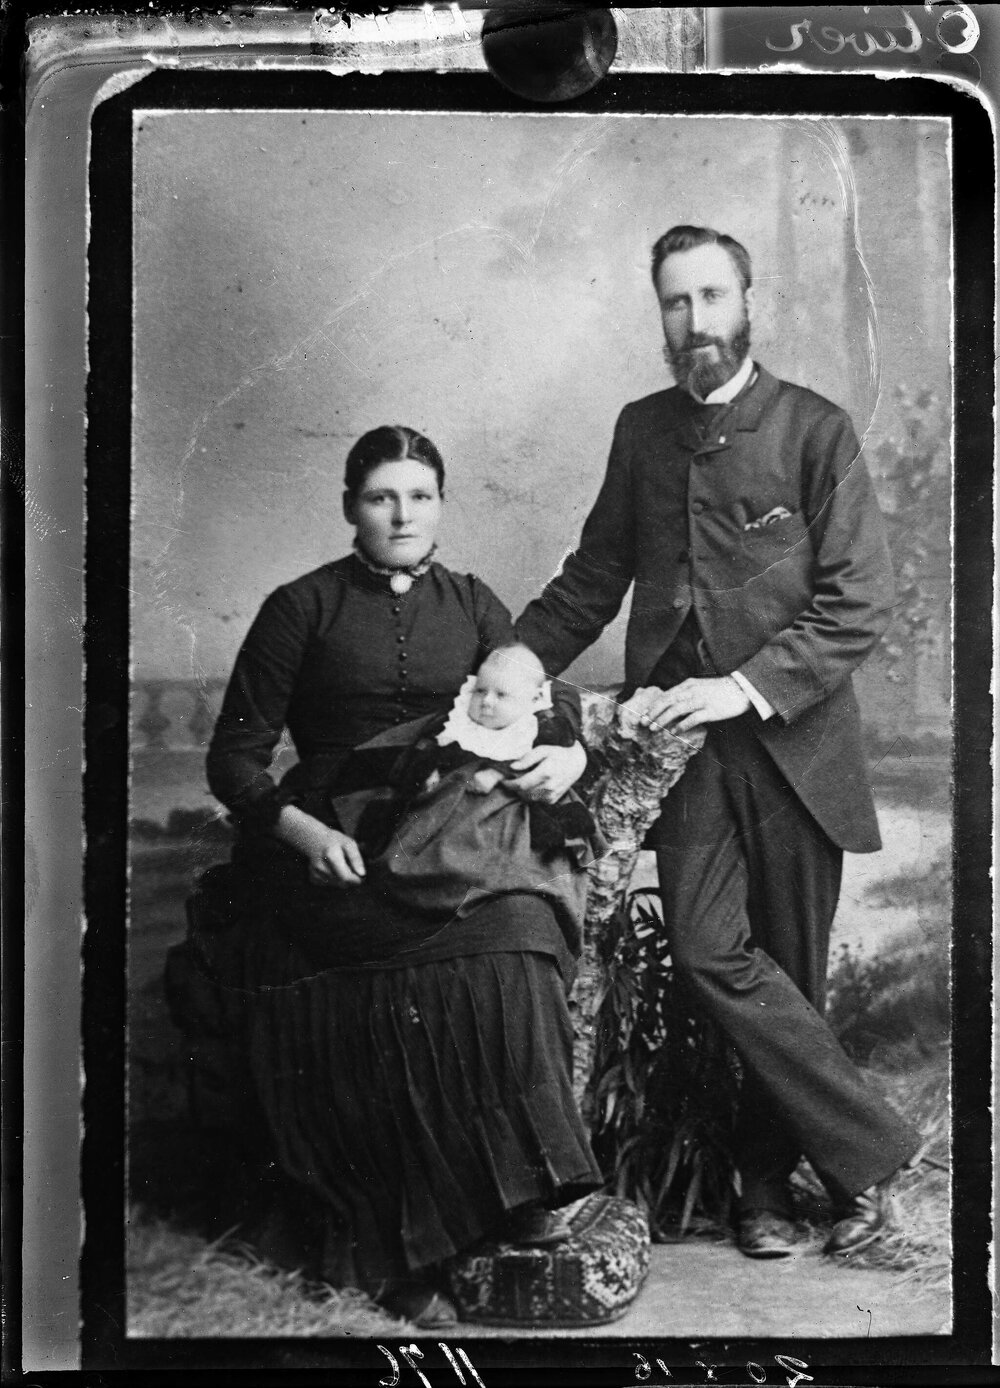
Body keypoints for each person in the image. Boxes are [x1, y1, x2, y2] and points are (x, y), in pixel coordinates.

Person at [516, 224, 921, 1259]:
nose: (694, 321)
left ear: (749, 299)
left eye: (711, 296)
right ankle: (874, 1150)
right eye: (674, 302)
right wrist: (518, 656)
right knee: (708, 953)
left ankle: (761, 1191)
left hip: (794, 747)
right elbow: (592, 576)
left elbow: (857, 602)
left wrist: (737, 688)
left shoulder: (815, 429)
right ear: (659, 313)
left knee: (790, 968)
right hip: (677, 755)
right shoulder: (641, 430)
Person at [205, 424, 602, 1328]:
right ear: (351, 507)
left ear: (442, 506)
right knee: (380, 989)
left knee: (522, 939)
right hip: (334, 843)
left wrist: (564, 757)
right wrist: (300, 832)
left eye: (420, 496)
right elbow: (234, 761)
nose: (402, 514)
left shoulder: (472, 603)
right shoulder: (298, 606)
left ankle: (518, 1191)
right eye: (382, 496)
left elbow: (546, 696)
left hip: (447, 834)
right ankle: (402, 1235)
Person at [327, 642, 602, 932]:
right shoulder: (460, 724)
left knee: (513, 857)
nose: (487, 702)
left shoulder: (534, 726)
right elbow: (437, 750)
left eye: (501, 695)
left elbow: (534, 759)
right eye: (481, 691)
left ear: (530, 699)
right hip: (455, 800)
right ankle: (438, 889)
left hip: (517, 803)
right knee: (426, 843)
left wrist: (496, 774)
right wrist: (430, 771)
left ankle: (492, 888)